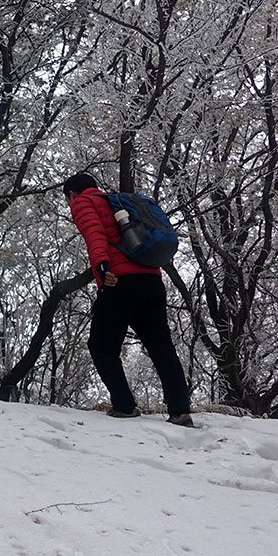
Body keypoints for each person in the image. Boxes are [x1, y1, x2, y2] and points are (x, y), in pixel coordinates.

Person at [63, 172, 195, 426]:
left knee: (101, 346)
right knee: (161, 347)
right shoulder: (118, 201)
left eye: (68, 200)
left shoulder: (83, 203)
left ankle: (124, 406)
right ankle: (180, 411)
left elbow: (95, 236)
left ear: (72, 194)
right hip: (152, 280)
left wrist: (102, 270)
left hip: (121, 281)